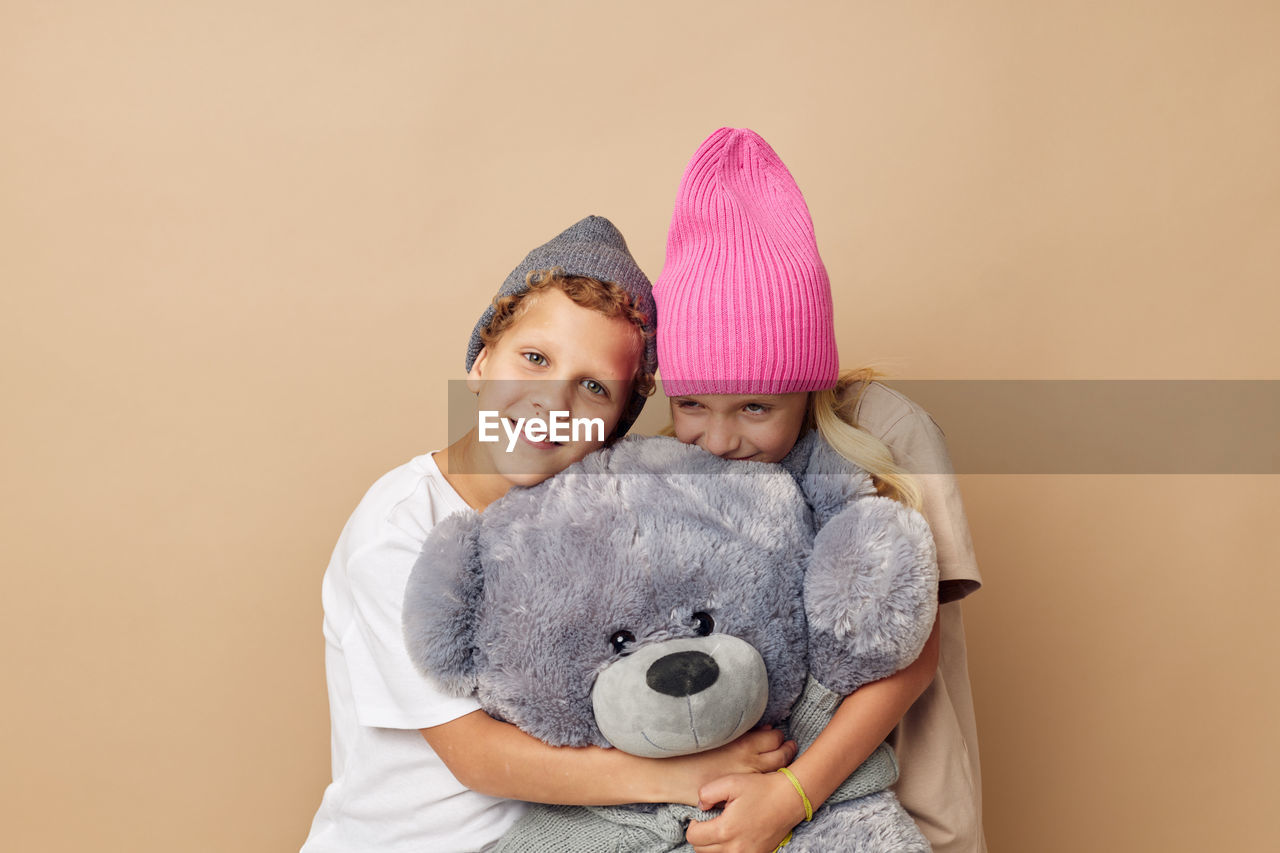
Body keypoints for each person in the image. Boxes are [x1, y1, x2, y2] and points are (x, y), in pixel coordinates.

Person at [300, 215, 796, 853]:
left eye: (593, 388)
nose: (551, 403)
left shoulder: (595, 513)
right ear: (480, 361)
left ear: (616, 429)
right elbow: (476, 757)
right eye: (534, 358)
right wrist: (680, 778)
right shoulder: (399, 526)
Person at [653, 128, 986, 853]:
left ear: (807, 381)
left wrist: (790, 796)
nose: (718, 438)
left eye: (755, 408)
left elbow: (914, 655)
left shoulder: (885, 430)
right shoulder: (673, 468)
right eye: (692, 405)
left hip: (895, 799)